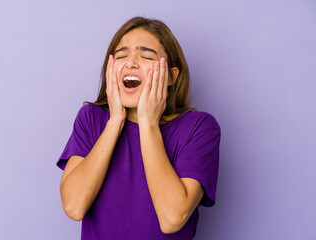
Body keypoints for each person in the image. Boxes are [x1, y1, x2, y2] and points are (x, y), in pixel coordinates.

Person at [56, 16, 221, 240]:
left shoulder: (199, 128)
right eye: (122, 56)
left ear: (172, 76)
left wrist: (148, 122)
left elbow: (173, 218)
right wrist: (115, 121)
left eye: (145, 56)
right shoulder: (91, 119)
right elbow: (74, 206)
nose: (131, 63)